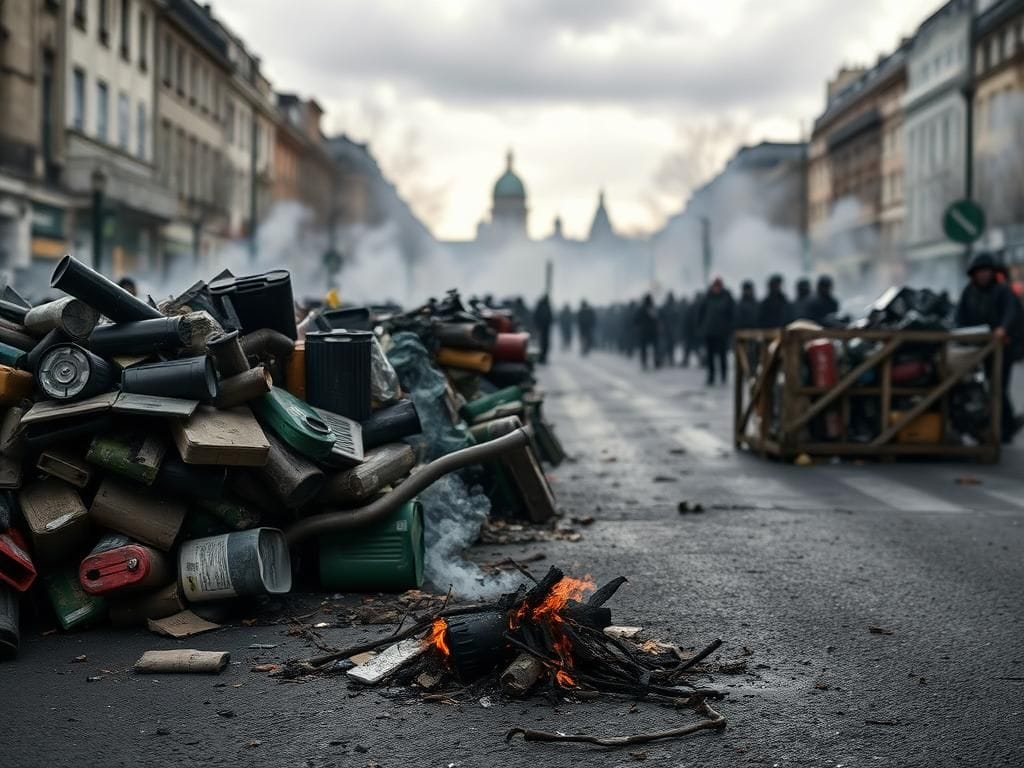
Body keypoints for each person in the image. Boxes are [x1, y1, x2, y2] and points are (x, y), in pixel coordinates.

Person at [956, 251, 1024, 442]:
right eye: (980, 272)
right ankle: (999, 424)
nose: (983, 275)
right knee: (985, 387)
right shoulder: (969, 292)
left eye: (987, 271)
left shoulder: (1002, 291)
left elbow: (1011, 313)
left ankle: (1006, 427)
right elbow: (960, 317)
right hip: (979, 347)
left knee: (998, 387)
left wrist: (1002, 329)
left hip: (1003, 349)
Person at [697, 277, 734, 385]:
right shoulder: (707, 297)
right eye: (715, 286)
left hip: (722, 332)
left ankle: (723, 376)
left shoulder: (727, 298)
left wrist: (729, 328)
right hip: (710, 331)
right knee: (710, 356)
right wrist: (701, 327)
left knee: (723, 356)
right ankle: (711, 376)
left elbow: (731, 315)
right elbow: (701, 313)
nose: (717, 288)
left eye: (718, 286)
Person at [634, 294, 659, 370]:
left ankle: (645, 363)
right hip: (652, 332)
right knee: (654, 348)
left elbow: (635, 320)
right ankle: (655, 362)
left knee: (644, 349)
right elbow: (656, 319)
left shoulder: (642, 309)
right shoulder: (651, 308)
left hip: (645, 332)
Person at [683, 291, 703, 367]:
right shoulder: (697, 306)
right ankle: (700, 360)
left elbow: (687, 319)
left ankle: (700, 360)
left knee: (693, 348)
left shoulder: (694, 306)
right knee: (695, 348)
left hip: (694, 331)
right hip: (694, 331)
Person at [659, 292, 679, 366]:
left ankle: (669, 360)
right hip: (667, 330)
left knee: (670, 346)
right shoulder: (671, 307)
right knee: (666, 346)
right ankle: (665, 360)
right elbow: (660, 317)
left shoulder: (673, 307)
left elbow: (677, 319)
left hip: (670, 330)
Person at [533, 294, 553, 364]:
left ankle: (543, 357)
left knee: (544, 343)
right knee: (542, 343)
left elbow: (550, 317)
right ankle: (542, 357)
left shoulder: (543, 306)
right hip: (542, 328)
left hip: (544, 328)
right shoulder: (544, 306)